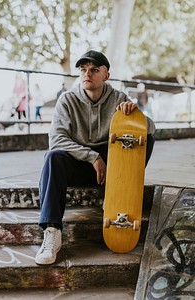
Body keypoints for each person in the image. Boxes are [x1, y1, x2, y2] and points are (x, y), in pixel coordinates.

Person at [35, 50, 155, 265]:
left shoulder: (118, 98)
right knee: (53, 157)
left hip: (114, 167)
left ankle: (120, 193)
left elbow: (151, 130)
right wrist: (92, 157)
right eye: (83, 70)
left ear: (106, 75)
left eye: (94, 70)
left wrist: (136, 115)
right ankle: (52, 231)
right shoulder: (67, 100)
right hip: (82, 163)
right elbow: (56, 139)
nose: (87, 74)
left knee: (147, 139)